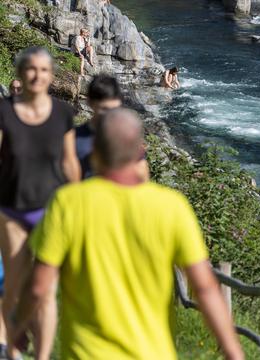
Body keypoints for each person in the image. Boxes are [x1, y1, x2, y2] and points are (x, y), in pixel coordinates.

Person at [9, 108, 245, 360]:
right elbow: (206, 288)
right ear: (139, 151)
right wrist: (233, 352)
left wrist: (18, 325)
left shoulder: (69, 202)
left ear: (95, 152)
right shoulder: (171, 207)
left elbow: (38, 286)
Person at [0, 46, 81, 360]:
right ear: (20, 73)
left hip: (51, 211)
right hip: (11, 209)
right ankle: (12, 350)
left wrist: (79, 205)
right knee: (15, 286)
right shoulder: (4, 111)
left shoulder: (63, 113)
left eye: (44, 70)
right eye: (31, 69)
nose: (37, 75)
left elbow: (70, 163)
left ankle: (43, 356)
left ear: (51, 76)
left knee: (46, 292)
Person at [76, 74, 149, 180]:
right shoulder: (74, 139)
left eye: (115, 109)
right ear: (90, 103)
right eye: (104, 109)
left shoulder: (129, 137)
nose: (110, 115)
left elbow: (142, 175)